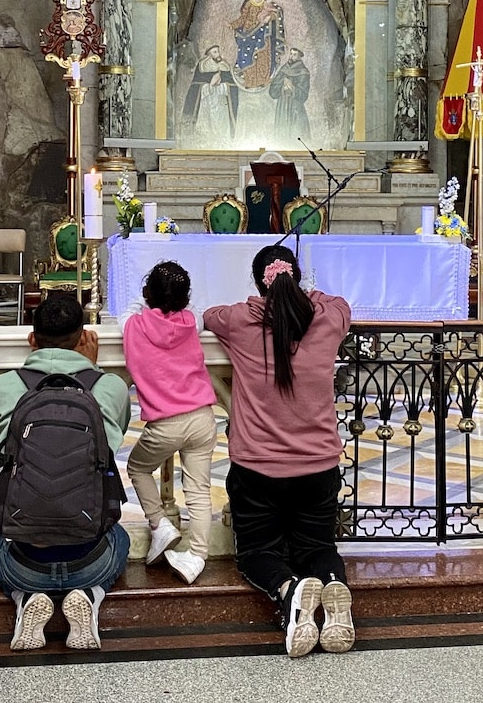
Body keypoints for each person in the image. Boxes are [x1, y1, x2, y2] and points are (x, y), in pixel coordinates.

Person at [203, 245, 354, 658]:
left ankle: (289, 592)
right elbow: (338, 302)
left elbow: (210, 315)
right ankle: (331, 584)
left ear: (259, 283)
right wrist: (308, 297)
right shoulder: (328, 318)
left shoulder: (240, 321)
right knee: (317, 546)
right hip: (319, 464)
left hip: (257, 467)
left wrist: (258, 304)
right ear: (299, 278)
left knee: (257, 552)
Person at [0, 292, 131, 652]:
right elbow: (111, 445)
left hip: (24, 563)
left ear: (32, 339)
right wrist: (91, 372)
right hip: (91, 559)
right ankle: (90, 594)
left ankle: (23, 596)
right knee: (121, 538)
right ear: (83, 339)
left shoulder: (3, 387)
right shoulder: (110, 387)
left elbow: (5, 451)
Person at [119, 261, 217, 584]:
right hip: (203, 417)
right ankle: (198, 557)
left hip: (165, 424)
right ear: (184, 298)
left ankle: (160, 524)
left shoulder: (133, 325)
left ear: (148, 294)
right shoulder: (191, 322)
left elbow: (129, 309)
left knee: (137, 467)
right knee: (199, 490)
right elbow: (200, 312)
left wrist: (146, 298)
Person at [231, 0, 285, 89]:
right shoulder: (249, 3)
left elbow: (277, 12)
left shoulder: (267, 3)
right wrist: (232, 25)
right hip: (248, 34)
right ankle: (250, 81)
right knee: (247, 56)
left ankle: (262, 80)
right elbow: (242, 18)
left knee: (262, 56)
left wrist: (270, 17)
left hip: (263, 35)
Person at [181, 44, 240, 143]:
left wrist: (222, 86)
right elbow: (195, 86)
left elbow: (232, 85)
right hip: (206, 105)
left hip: (222, 107)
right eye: (215, 52)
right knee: (206, 130)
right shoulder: (202, 66)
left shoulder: (225, 66)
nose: (218, 54)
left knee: (221, 130)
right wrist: (210, 85)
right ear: (209, 54)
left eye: (218, 51)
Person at [268, 47, 311, 143]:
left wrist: (292, 87)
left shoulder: (303, 72)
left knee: (297, 134)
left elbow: (303, 95)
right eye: (291, 54)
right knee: (281, 135)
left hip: (295, 107)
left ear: (299, 57)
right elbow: (273, 90)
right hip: (282, 106)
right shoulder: (284, 69)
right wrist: (281, 88)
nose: (291, 56)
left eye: (294, 54)